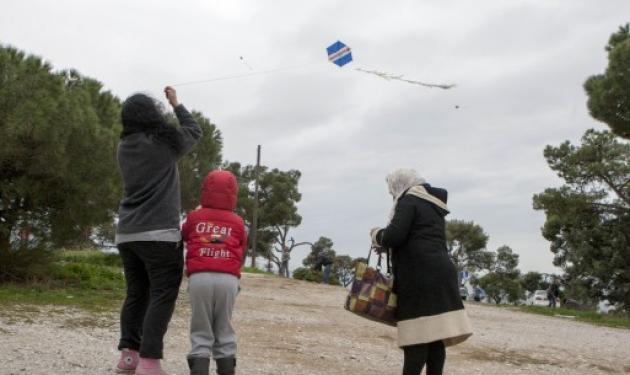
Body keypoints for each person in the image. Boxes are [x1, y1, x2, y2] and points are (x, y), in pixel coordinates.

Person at [115, 87, 202, 375]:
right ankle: (150, 362)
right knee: (162, 294)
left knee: (136, 294)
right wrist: (176, 104)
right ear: (153, 114)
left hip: (127, 233)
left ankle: (129, 356)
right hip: (159, 235)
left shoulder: (123, 146)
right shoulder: (164, 144)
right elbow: (194, 130)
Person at [370, 168, 473, 375]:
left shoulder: (409, 200)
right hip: (442, 273)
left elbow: (393, 237)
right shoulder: (432, 204)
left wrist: (376, 234)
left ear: (400, 185)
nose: (392, 195)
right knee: (436, 339)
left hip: (419, 276)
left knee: (416, 339)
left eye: (392, 190)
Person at [182, 170, 248, 375]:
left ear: (205, 191)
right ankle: (226, 368)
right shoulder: (238, 222)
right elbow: (242, 248)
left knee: (201, 326)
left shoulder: (194, 217)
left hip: (199, 277)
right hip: (228, 279)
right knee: (223, 326)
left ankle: (199, 367)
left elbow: (184, 236)